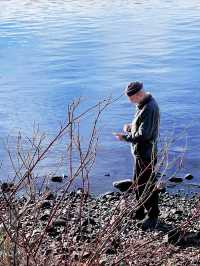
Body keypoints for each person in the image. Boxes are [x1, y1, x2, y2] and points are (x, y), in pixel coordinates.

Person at [114, 81, 160, 230]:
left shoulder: (149, 108)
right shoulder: (142, 105)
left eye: (131, 98)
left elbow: (144, 135)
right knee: (138, 183)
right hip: (140, 153)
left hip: (146, 153)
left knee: (147, 184)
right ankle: (140, 210)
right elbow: (141, 128)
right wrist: (130, 127)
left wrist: (125, 138)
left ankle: (153, 216)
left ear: (139, 94)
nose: (130, 101)